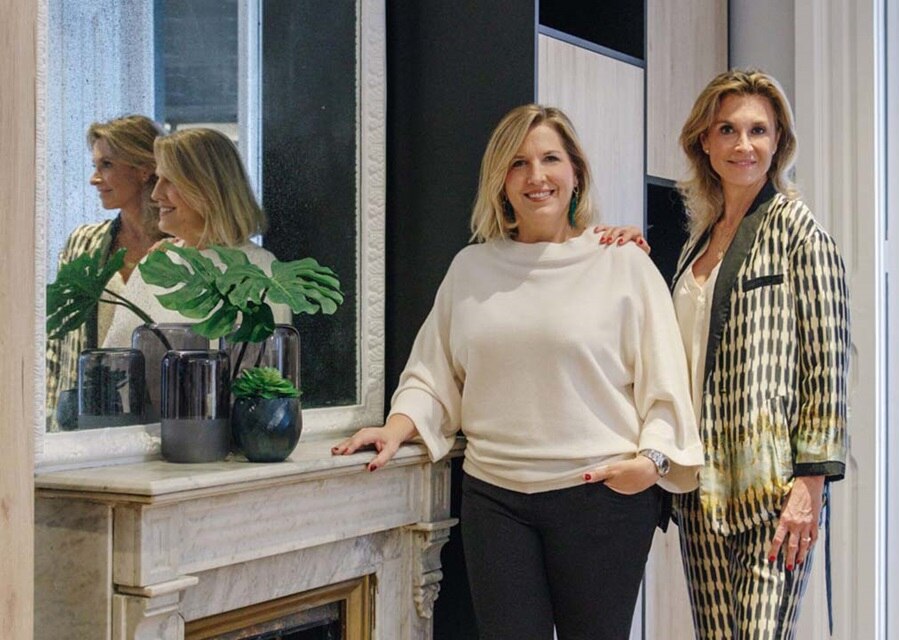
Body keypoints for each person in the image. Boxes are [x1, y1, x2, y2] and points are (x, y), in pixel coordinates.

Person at [332, 104, 703, 639]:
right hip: (496, 499)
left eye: (550, 159)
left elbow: (665, 381)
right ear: (500, 182)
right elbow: (435, 372)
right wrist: (397, 427)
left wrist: (652, 463)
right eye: (518, 163)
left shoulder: (623, 264)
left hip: (600, 497)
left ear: (576, 172)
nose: (536, 176)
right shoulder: (471, 268)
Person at [602, 69, 850, 639]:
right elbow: (674, 348)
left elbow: (828, 368)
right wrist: (631, 257)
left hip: (770, 491)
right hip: (698, 490)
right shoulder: (697, 241)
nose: (744, 145)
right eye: (728, 130)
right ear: (705, 143)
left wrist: (810, 487)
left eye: (758, 130)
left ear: (778, 141)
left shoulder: (799, 233)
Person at [103, 127, 291, 347]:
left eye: (169, 181)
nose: (155, 194)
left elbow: (267, 363)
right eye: (158, 179)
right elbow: (117, 356)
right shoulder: (157, 264)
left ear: (207, 189)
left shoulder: (262, 270)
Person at [46, 114, 167, 429]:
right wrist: (49, 424)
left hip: (158, 419)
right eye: (95, 166)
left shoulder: (179, 250)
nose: (94, 179)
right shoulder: (84, 242)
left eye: (107, 165)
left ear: (144, 169)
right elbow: (56, 341)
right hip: (84, 418)